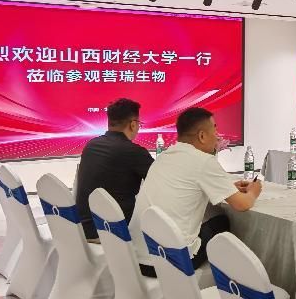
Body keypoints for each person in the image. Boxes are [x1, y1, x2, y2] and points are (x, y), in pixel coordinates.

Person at [129, 107, 261, 277]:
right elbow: (242, 204)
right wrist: (254, 191)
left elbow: (187, 185)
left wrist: (227, 188)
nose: (218, 136)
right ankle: (235, 277)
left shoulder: (165, 156)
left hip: (138, 258)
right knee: (220, 222)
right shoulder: (204, 161)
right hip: (171, 262)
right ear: (202, 136)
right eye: (215, 129)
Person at [75, 98, 154, 240]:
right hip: (112, 233)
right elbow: (161, 181)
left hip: (84, 229)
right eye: (139, 124)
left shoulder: (91, 145)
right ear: (133, 124)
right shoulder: (134, 152)